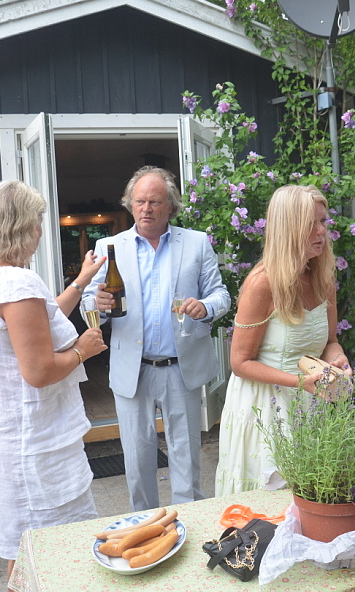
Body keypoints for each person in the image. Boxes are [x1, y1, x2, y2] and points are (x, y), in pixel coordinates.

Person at [0, 180, 108, 583]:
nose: (41, 230)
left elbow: (41, 320)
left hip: (9, 442)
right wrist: (83, 350)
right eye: (38, 221)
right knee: (52, 558)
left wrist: (81, 281)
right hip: (32, 450)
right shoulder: (18, 282)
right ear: (24, 226)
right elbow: (39, 371)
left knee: (25, 561)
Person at [84, 166, 230, 512]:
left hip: (182, 368)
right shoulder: (108, 247)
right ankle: (145, 526)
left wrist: (205, 307)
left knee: (186, 461)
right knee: (137, 463)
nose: (146, 208)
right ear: (130, 205)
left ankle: (189, 526)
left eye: (154, 202)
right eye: (140, 201)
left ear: (170, 206)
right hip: (132, 369)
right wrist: (97, 305)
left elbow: (221, 295)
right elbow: (88, 302)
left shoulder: (195, 242)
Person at [214, 184, 352, 496]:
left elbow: (330, 341)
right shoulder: (262, 283)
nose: (321, 231)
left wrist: (337, 360)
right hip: (265, 407)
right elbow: (240, 363)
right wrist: (299, 381)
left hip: (310, 401)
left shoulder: (323, 278)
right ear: (288, 228)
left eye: (323, 222)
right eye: (311, 224)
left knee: (312, 494)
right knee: (269, 500)